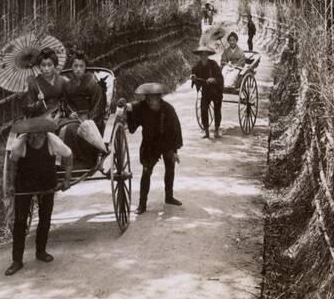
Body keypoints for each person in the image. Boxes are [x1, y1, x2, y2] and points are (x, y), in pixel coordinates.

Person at [4, 123, 73, 276]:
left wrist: (67, 179)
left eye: (38, 133)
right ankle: (17, 260)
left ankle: (41, 252)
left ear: (43, 132)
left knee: (45, 218)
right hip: (24, 184)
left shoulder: (52, 140)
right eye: (32, 134)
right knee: (20, 221)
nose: (34, 137)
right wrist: (10, 184)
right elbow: (12, 165)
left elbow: (69, 155)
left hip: (46, 184)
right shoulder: (20, 143)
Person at [118, 83, 183, 215]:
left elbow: (175, 130)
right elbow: (130, 107)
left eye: (154, 98)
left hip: (167, 143)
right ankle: (142, 204)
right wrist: (123, 105)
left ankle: (169, 196)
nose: (151, 101)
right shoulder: (142, 106)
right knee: (146, 172)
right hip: (150, 144)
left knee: (170, 168)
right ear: (145, 98)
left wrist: (174, 151)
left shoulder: (168, 109)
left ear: (159, 97)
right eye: (148, 98)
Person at [61, 51, 105, 168]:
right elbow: (66, 103)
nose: (78, 69)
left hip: (91, 117)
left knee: (74, 129)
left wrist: (90, 119)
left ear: (86, 67)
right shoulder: (68, 85)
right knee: (63, 128)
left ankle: (85, 161)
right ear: (71, 68)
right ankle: (68, 161)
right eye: (75, 66)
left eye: (81, 66)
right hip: (74, 117)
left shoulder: (92, 83)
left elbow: (98, 104)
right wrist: (70, 113)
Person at [191, 46, 224, 139]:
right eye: (201, 55)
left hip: (216, 90)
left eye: (205, 54)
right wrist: (194, 78)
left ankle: (217, 129)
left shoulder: (213, 64)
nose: (203, 56)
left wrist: (213, 79)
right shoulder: (196, 66)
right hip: (206, 91)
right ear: (199, 56)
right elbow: (196, 81)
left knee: (217, 109)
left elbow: (220, 78)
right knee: (203, 109)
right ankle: (206, 131)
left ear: (208, 55)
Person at [25, 48, 68, 118]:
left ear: (54, 65)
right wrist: (39, 102)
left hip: (60, 115)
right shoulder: (34, 83)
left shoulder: (62, 80)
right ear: (39, 66)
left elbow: (68, 101)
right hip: (41, 118)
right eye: (43, 65)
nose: (46, 68)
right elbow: (29, 110)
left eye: (49, 65)